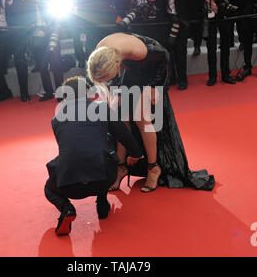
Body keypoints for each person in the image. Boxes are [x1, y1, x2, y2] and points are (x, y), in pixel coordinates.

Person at [87, 33, 215, 193]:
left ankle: (153, 168)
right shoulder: (100, 52)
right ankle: (121, 168)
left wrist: (156, 86)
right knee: (121, 119)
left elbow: (165, 57)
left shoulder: (139, 51)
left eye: (105, 78)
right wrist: (115, 91)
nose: (104, 82)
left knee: (142, 120)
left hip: (148, 70)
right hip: (128, 69)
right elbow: (108, 78)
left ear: (115, 67)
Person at [45, 76, 143, 235]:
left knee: (49, 189)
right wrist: (135, 155)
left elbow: (70, 149)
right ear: (87, 92)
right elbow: (124, 135)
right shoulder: (102, 108)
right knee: (103, 145)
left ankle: (67, 208)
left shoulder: (56, 120)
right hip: (104, 178)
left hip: (69, 185)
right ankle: (102, 202)